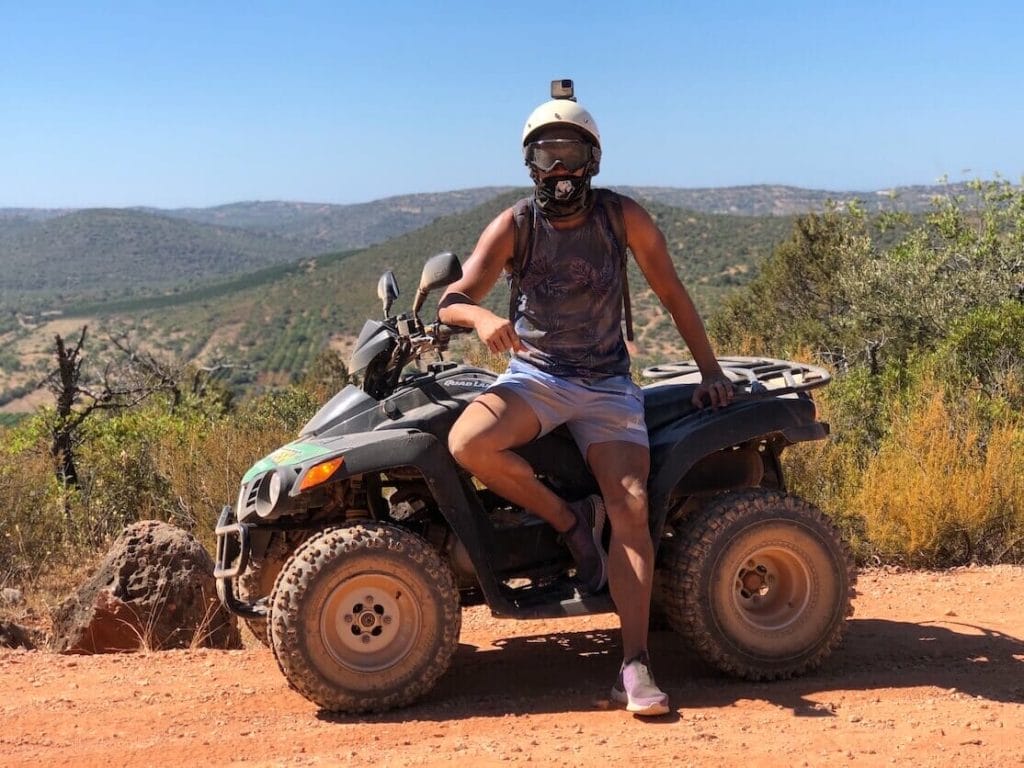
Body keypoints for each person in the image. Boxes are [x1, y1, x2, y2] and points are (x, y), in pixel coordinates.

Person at [437, 80, 734, 716]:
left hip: (606, 386)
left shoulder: (621, 217)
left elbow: (673, 294)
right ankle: (571, 523)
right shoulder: (517, 223)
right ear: (529, 164)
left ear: (593, 159)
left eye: (570, 153)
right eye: (546, 156)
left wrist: (710, 370)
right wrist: (482, 320)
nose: (560, 169)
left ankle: (633, 664)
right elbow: (454, 297)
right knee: (468, 442)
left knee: (628, 504)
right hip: (536, 376)